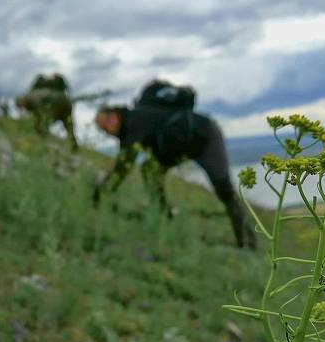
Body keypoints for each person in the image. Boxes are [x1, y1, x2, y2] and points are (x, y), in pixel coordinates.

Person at [93, 80, 256, 249]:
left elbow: (123, 168)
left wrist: (100, 194)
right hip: (179, 149)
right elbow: (124, 166)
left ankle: (248, 243)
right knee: (150, 170)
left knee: (225, 191)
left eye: (105, 128)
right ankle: (164, 218)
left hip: (204, 138)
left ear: (113, 117)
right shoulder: (131, 125)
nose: (107, 133)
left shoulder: (136, 121)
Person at [15, 73, 78, 150]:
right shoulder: (35, 94)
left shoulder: (32, 97)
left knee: (41, 125)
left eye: (20, 106)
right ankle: (73, 146)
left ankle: (44, 144)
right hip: (64, 102)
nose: (21, 108)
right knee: (68, 125)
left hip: (54, 104)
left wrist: (43, 124)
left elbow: (41, 112)